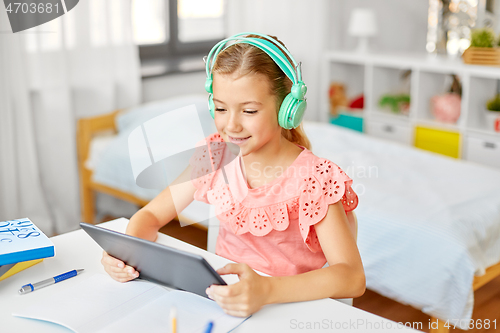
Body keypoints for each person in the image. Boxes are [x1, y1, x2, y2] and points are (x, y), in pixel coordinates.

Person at [101, 32, 365, 317]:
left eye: (249, 110)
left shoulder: (315, 177)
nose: (232, 125)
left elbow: (351, 277)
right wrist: (127, 252)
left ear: (288, 109)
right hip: (226, 306)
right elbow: (151, 216)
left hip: (289, 309)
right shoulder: (215, 155)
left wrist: (266, 290)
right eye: (220, 108)